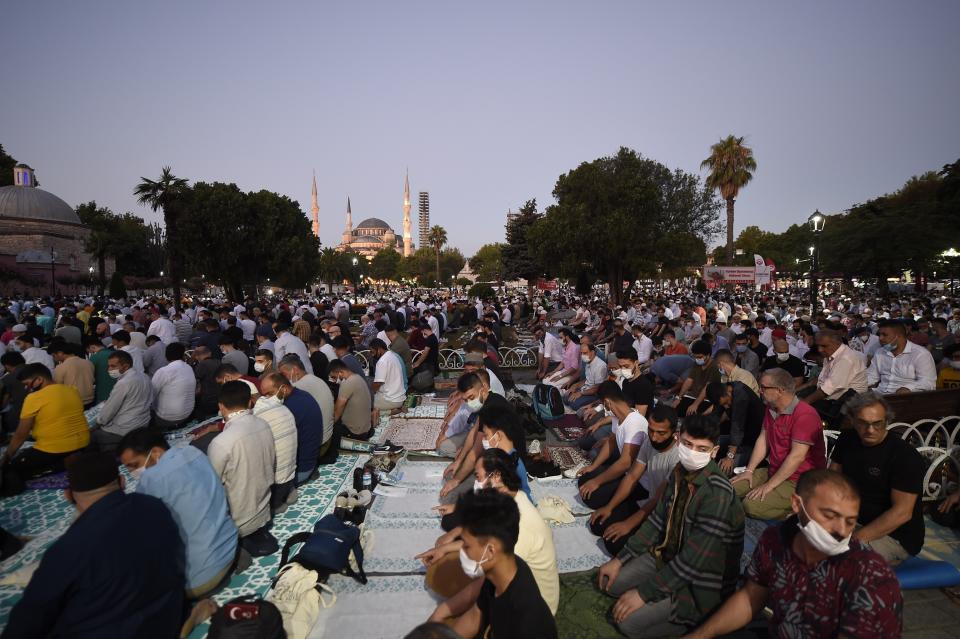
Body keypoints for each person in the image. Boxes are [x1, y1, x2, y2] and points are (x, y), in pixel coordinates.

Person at [683, 469, 903, 639]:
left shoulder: (869, 575)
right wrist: (702, 634)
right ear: (797, 504)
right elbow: (752, 597)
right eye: (829, 515)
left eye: (850, 521)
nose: (841, 530)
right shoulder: (775, 541)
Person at [2, 451, 185, 639]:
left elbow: (29, 619)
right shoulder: (154, 506)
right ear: (122, 482)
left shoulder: (69, 549)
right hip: (167, 621)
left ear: (67, 495)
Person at [596, 414, 744, 638]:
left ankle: (698, 619)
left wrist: (643, 594)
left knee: (628, 623)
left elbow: (694, 563)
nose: (693, 452)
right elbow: (656, 521)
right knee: (610, 584)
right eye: (687, 444)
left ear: (714, 452)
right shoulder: (679, 471)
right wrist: (619, 559)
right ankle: (658, 589)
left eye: (702, 448)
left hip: (702, 580)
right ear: (678, 441)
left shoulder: (717, 493)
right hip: (668, 555)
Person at [421, 449, 559, 618]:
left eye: (478, 477)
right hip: (510, 581)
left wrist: (443, 611)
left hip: (531, 609)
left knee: (450, 581)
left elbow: (496, 577)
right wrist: (446, 548)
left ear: (496, 476)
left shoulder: (521, 523)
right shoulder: (509, 499)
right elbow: (481, 537)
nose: (477, 483)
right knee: (443, 567)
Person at [118, 428, 238, 598]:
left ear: (156, 452)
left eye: (135, 465)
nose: (133, 473)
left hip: (200, 577)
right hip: (230, 546)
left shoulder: (151, 480)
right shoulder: (192, 451)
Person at [438, 489, 558, 639]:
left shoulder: (526, 624)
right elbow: (475, 615)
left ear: (490, 551)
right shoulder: (501, 571)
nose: (462, 551)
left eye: (467, 546)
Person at [829, 391, 925, 565]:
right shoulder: (847, 439)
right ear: (852, 419)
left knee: (839, 561)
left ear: (887, 421)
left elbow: (901, 513)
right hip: (853, 519)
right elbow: (832, 481)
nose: (870, 430)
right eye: (863, 423)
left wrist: (854, 539)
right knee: (800, 536)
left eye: (877, 423)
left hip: (892, 535)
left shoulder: (904, 456)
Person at [732, 368, 827, 520]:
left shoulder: (805, 415)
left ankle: (798, 510)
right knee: (730, 489)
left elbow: (796, 457)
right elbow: (763, 439)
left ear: (780, 390)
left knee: (750, 505)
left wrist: (769, 486)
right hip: (774, 470)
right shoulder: (771, 408)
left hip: (799, 480)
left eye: (763, 387)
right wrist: (749, 471)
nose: (760, 390)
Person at [589, 404, 680, 555]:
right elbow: (632, 476)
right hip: (648, 502)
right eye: (651, 430)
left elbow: (658, 499)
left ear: (673, 433)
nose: (654, 437)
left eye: (661, 433)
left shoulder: (677, 457)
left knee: (614, 544)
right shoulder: (648, 443)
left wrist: (628, 524)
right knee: (597, 525)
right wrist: (609, 507)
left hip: (662, 514)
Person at [207, 381, 277, 556]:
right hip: (264, 509)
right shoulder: (264, 424)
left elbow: (212, 487)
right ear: (250, 402)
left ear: (221, 407)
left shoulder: (221, 443)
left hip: (239, 521)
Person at [1, 363, 90, 483]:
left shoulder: (34, 398)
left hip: (54, 449)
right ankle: (68, 460)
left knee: (12, 469)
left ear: (39, 379)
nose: (27, 388)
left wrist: (7, 457)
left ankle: (57, 466)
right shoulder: (72, 390)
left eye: (27, 384)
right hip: (83, 443)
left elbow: (21, 434)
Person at [577, 381, 648, 508]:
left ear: (607, 402)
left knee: (593, 497)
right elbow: (611, 441)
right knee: (584, 479)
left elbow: (626, 463)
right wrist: (593, 467)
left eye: (603, 404)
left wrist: (597, 482)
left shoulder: (634, 422)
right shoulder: (617, 416)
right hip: (625, 470)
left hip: (636, 478)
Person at [260, 372, 322, 485]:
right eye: (264, 396)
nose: (266, 399)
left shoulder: (287, 409)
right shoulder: (303, 395)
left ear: (283, 388)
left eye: (269, 394)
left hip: (301, 469)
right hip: (311, 461)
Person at [798, 329, 868, 424]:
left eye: (824, 346)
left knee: (799, 412)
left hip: (843, 404)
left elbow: (827, 389)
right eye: (818, 346)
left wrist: (804, 404)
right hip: (831, 398)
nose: (820, 350)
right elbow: (821, 380)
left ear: (837, 343)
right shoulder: (832, 354)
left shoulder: (845, 359)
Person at [250, 383, 299, 513]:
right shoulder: (284, 409)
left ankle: (277, 504)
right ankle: (289, 490)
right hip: (291, 475)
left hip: (277, 484)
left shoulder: (257, 415)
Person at [91, 350, 153, 452]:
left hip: (123, 429)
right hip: (142, 424)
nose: (109, 369)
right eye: (109, 366)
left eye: (113, 366)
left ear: (126, 366)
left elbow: (108, 412)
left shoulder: (124, 383)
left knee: (90, 437)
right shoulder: (145, 377)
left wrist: (97, 423)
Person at [277, 354, 335, 455]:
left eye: (284, 374)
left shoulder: (298, 387)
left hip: (319, 444)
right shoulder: (316, 379)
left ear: (294, 369)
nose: (283, 379)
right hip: (328, 437)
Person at [705, 380, 764, 474]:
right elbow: (715, 416)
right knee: (710, 442)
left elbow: (737, 427)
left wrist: (730, 457)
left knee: (724, 469)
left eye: (727, 403)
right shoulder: (723, 393)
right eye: (723, 405)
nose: (727, 407)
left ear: (728, 392)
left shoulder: (741, 395)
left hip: (754, 442)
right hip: (742, 438)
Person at [867, 319, 937, 394]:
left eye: (885, 335)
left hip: (905, 399)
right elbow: (871, 376)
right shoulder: (880, 352)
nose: (880, 338)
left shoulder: (920, 354)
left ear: (899, 336)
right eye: (879, 335)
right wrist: (857, 384)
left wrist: (908, 388)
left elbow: (928, 382)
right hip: (880, 394)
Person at [151, 342, 196, 430]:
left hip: (167, 418)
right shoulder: (188, 368)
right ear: (183, 355)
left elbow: (151, 394)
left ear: (166, 356)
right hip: (187, 413)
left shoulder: (164, 371)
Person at [328, 359, 373, 440]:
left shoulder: (347, 383)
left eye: (334, 377)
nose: (334, 381)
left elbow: (337, 411)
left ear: (340, 372)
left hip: (355, 432)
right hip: (366, 428)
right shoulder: (358, 377)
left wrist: (328, 425)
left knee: (330, 433)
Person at [675, 340, 721, 416]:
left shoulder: (715, 367)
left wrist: (695, 404)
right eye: (695, 357)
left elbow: (707, 387)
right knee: (678, 409)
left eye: (700, 357)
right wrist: (678, 397)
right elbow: (689, 380)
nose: (697, 359)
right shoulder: (696, 364)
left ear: (708, 355)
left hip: (707, 399)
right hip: (693, 395)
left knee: (695, 414)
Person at [370, 338, 408, 424]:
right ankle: (396, 407)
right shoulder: (393, 355)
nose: (372, 355)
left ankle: (393, 411)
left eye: (373, 352)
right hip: (400, 396)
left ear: (379, 349)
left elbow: (377, 383)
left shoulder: (382, 361)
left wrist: (369, 392)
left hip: (390, 399)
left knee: (363, 405)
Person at [50, 341, 95, 407]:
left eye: (54, 356)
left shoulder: (60, 367)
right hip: (91, 400)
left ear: (60, 353)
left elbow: (57, 387)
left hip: (73, 402)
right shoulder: (89, 363)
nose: (54, 359)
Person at [566, 342, 609, 410]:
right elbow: (587, 380)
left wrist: (581, 393)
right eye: (581, 353)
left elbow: (597, 388)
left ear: (592, 352)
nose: (582, 355)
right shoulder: (588, 361)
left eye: (585, 353)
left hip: (594, 394)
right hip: (585, 389)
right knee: (566, 397)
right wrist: (576, 385)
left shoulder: (601, 366)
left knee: (574, 404)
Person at [0, 351, 27, 436]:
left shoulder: (7, 379)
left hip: (18, 421)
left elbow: (3, 403)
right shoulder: (39, 370)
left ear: (7, 365)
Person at [192, 344, 222, 418]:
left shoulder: (202, 365)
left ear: (197, 356)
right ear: (210, 353)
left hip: (208, 400)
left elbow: (196, 379)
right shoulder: (219, 362)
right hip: (220, 397)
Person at [410, 320, 440, 391]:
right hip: (432, 362)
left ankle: (426, 390)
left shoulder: (430, 339)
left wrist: (418, 363)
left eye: (423, 332)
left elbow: (425, 352)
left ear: (425, 330)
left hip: (429, 363)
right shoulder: (433, 337)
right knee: (428, 378)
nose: (423, 334)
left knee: (426, 378)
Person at [85, 336, 117, 403]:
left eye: (91, 351)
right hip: (117, 391)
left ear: (92, 347)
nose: (91, 353)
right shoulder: (116, 354)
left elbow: (90, 377)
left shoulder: (94, 357)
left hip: (102, 393)